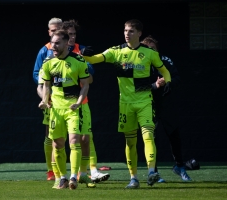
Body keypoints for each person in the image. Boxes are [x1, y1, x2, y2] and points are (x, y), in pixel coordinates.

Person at [81, 19, 171, 189]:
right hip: (126, 103)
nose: (127, 34)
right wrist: (82, 52)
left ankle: (151, 172)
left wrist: (167, 82)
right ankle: (134, 178)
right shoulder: (117, 51)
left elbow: (164, 70)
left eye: (131, 31)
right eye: (125, 30)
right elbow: (94, 59)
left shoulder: (149, 53)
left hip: (144, 101)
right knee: (130, 142)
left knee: (148, 135)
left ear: (139, 33)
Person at [38, 29, 90, 190]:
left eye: (57, 43)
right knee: (58, 144)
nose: (53, 46)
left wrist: (79, 102)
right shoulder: (48, 62)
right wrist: (44, 100)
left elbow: (86, 84)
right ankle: (62, 178)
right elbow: (46, 85)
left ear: (67, 43)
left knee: (75, 141)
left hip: (73, 109)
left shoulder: (78, 61)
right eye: (52, 42)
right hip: (56, 110)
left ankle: (74, 177)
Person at [61, 19, 110, 185]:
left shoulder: (82, 51)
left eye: (74, 34)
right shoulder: (52, 53)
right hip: (61, 105)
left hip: (81, 102)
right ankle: (60, 176)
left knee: (85, 138)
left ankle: (87, 172)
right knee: (59, 141)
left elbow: (90, 77)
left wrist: (83, 59)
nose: (72, 37)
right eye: (69, 34)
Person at [141, 35, 192, 182]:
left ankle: (180, 167)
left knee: (174, 136)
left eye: (153, 49)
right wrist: (154, 86)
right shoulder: (139, 63)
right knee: (151, 138)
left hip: (166, 104)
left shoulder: (165, 61)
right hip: (148, 105)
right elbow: (137, 87)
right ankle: (154, 172)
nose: (151, 52)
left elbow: (177, 78)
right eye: (148, 49)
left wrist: (166, 82)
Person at [33, 17, 63, 181]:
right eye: (52, 31)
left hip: (69, 99)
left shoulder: (71, 50)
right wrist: (45, 93)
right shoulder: (44, 50)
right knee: (50, 134)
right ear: (48, 32)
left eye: (58, 29)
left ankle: (74, 170)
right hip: (51, 98)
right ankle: (51, 170)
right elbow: (36, 73)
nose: (55, 33)